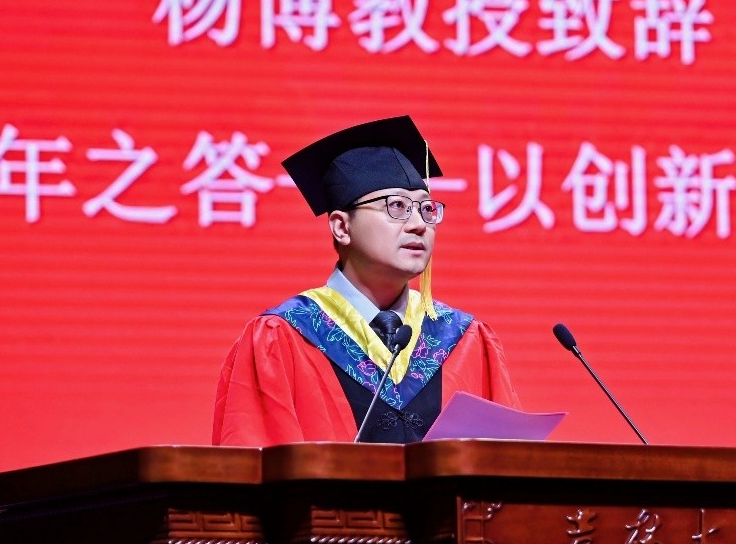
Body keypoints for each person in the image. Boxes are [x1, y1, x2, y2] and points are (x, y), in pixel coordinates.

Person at [212, 115, 520, 446]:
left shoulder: (464, 338)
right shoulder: (284, 337)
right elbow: (258, 459)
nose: (419, 224)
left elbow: (507, 460)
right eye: (397, 206)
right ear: (341, 227)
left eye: (426, 209)